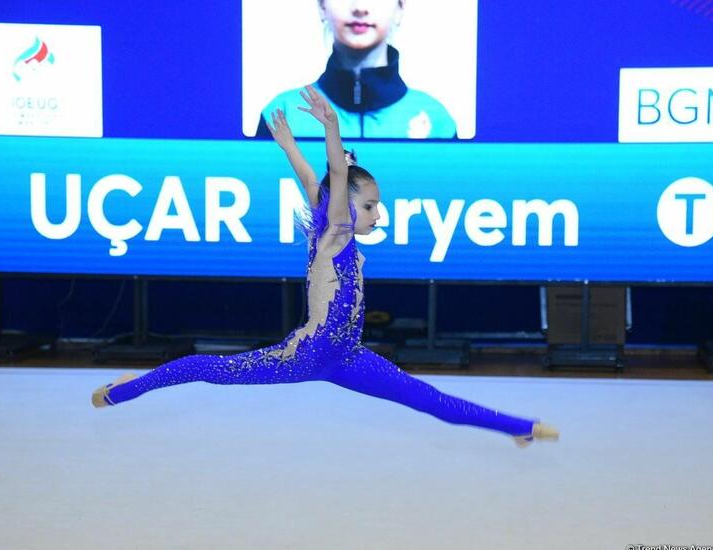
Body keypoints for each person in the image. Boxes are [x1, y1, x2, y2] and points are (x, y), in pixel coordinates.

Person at [93, 86, 558, 448]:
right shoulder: (335, 233)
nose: (379, 215)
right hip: (304, 355)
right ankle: (125, 390)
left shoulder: (336, 230)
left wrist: (289, 145)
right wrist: (331, 127)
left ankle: (519, 427)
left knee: (429, 400)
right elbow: (334, 176)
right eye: (371, 206)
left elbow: (311, 179)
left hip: (349, 358)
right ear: (344, 206)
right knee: (207, 368)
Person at [254, 0, 457, 139]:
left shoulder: (436, 121)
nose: (360, 7)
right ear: (322, 6)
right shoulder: (284, 114)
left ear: (400, 7)